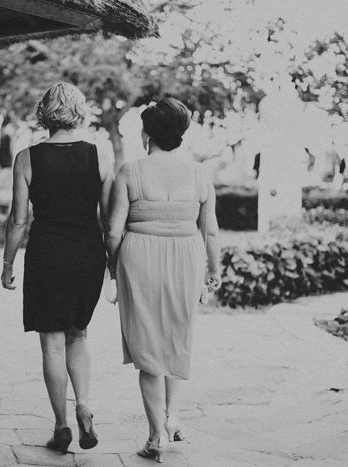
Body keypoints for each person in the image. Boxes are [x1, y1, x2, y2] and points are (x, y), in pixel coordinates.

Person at [105, 98, 221, 463]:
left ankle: (156, 436)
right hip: (186, 256)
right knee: (175, 337)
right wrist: (214, 271)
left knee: (148, 347)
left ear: (147, 134)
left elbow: (113, 231)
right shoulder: (199, 175)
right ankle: (172, 416)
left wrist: (113, 267)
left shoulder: (130, 171)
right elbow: (210, 231)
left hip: (138, 257)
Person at [1, 82, 113, 454]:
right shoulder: (99, 156)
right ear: (79, 112)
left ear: (44, 114)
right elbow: (109, 220)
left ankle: (61, 425)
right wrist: (112, 265)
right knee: (78, 335)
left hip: (46, 253)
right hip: (87, 253)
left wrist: (7, 263)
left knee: (51, 345)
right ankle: (84, 406)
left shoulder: (27, 158)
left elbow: (18, 220)